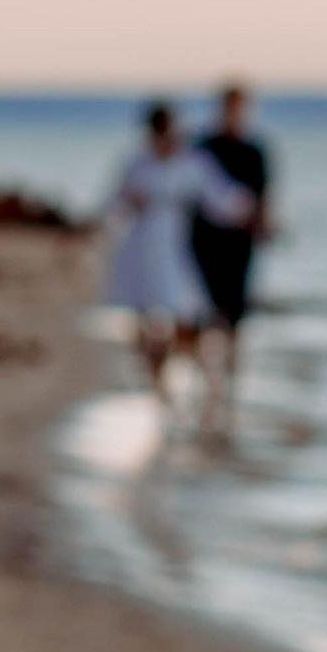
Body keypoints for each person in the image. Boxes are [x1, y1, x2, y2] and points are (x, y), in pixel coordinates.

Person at [103, 103, 253, 402]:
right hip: (141, 246)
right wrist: (125, 208)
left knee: (186, 314)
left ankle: (190, 381)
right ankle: (157, 384)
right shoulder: (138, 164)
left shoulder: (191, 163)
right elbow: (113, 203)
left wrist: (250, 210)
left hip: (177, 246)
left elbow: (221, 200)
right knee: (147, 319)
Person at [190, 83, 271, 415]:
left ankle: (230, 384)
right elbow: (190, 193)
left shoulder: (255, 150)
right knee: (205, 311)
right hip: (206, 239)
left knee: (236, 313)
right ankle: (205, 381)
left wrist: (264, 224)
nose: (236, 113)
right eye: (231, 107)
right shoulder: (204, 146)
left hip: (240, 241)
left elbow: (264, 195)